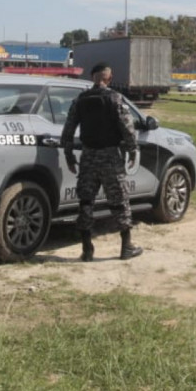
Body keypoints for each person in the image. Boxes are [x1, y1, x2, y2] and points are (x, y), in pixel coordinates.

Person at [60, 61, 143, 261]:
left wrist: (69, 156)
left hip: (88, 157)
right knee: (119, 201)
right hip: (110, 156)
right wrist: (133, 150)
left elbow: (68, 131)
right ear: (109, 78)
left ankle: (87, 249)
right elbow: (127, 128)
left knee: (86, 202)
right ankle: (126, 246)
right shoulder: (115, 98)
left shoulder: (80, 100)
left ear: (93, 78)